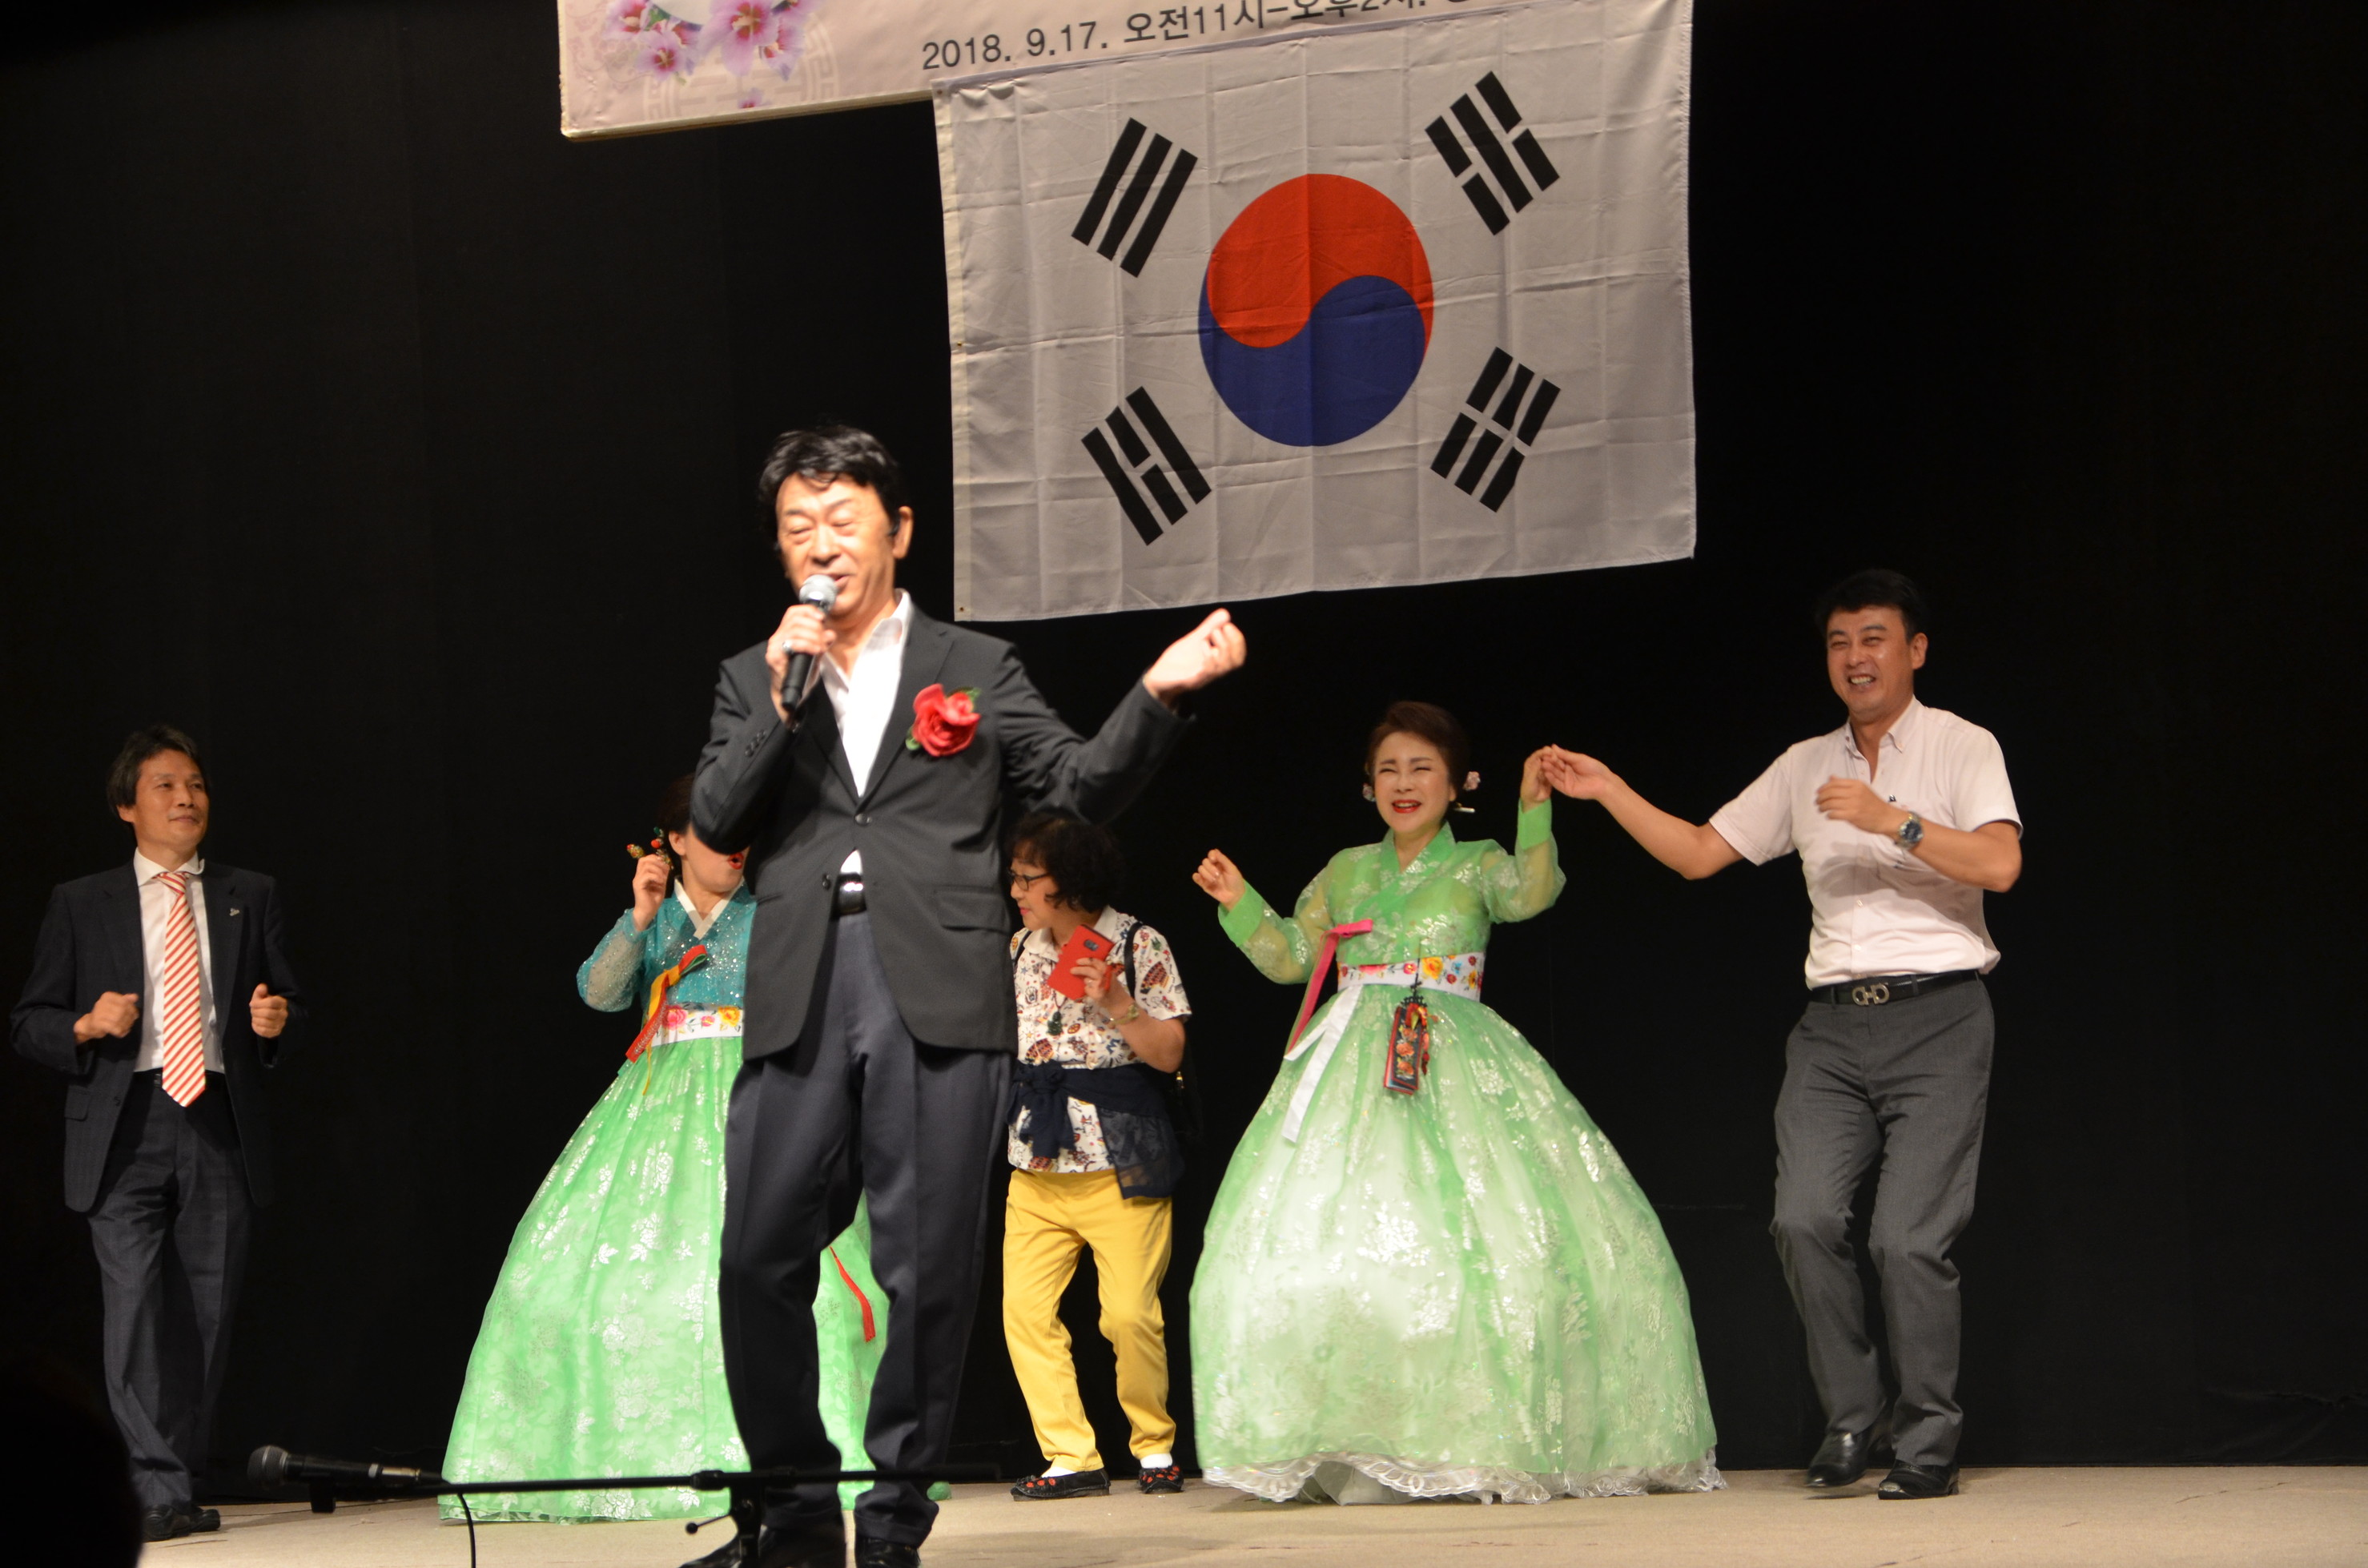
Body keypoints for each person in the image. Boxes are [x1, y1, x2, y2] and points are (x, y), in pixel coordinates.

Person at [689, 425, 1244, 1568]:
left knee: (928, 1270)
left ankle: (893, 1522)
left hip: (937, 986)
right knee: (756, 1258)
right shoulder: (756, 673)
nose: (821, 544)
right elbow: (717, 817)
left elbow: (1077, 785)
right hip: (799, 981)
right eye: (798, 527)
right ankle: (795, 1511)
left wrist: (1158, 691)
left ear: (897, 530)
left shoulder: (973, 666)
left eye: (842, 519)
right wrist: (783, 700)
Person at [1543, 569, 2021, 1500]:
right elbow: (1697, 852)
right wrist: (1607, 789)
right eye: (1839, 641)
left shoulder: (1962, 744)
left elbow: (1999, 863)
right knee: (1800, 1218)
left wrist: (1893, 820)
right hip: (1832, 1028)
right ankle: (1850, 1414)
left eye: (1873, 638)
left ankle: (1927, 1437)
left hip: (1939, 1014)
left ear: (1914, 649)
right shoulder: (1805, 764)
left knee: (1905, 1239)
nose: (1855, 657)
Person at [1188, 702, 1721, 1505]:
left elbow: (1530, 894)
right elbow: (1293, 958)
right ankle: (1354, 1438)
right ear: (1367, 784)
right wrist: (1239, 902)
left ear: (1457, 783)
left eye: (1421, 768)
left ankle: (1465, 1440)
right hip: (1347, 1067)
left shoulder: (1476, 862)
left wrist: (1533, 807)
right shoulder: (1345, 869)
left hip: (1451, 1050)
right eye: (1388, 770)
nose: (1403, 784)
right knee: (1329, 1252)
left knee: (1484, 1252)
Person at [440, 778, 891, 1522]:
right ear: (675, 841)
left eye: (743, 832)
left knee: (800, 1287)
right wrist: (641, 916)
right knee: (577, 1289)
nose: (735, 849)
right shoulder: (654, 917)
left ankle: (792, 1459)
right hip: (655, 1099)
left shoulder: (772, 909)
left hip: (758, 1092)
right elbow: (599, 992)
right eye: (715, 833)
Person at [10, 726, 306, 1543]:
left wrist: (276, 1021)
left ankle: (175, 1475)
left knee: (206, 1311)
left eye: (196, 784)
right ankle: (153, 1486)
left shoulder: (250, 892)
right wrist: (83, 1023)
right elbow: (29, 1021)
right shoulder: (83, 900)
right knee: (134, 1306)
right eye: (166, 785)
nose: (186, 798)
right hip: (123, 1121)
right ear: (126, 806)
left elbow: (289, 1004)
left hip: (215, 1116)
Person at [999, 812, 1191, 1502]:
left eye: (1028, 878)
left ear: (1070, 881)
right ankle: (1071, 1456)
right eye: (1014, 876)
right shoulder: (1019, 946)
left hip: (1120, 1161)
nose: (1015, 890)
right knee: (1024, 1313)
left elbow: (1168, 1055)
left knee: (1129, 1316)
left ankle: (1153, 1445)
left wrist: (1114, 999)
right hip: (1038, 1161)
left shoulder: (1139, 943)